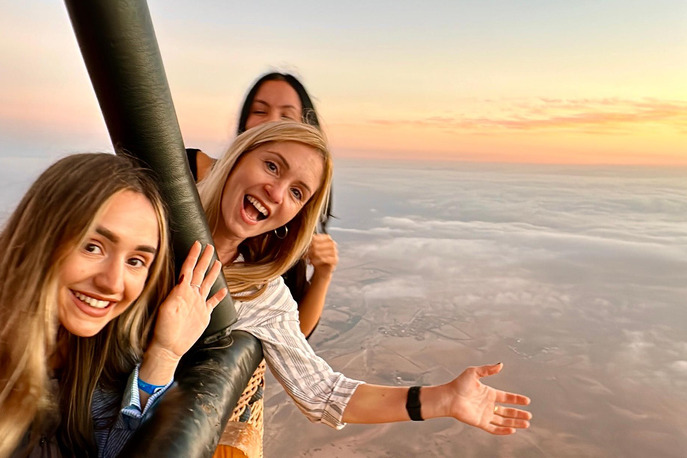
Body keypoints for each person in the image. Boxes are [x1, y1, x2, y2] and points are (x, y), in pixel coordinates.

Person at [195, 121, 532, 433]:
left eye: (297, 192)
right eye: (271, 166)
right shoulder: (151, 209)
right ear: (238, 157)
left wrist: (442, 399)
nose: (277, 192)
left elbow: (323, 391)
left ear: (295, 217)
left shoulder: (262, 296)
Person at [0, 153, 226, 458]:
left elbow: (111, 452)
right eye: (92, 247)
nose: (113, 284)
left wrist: (164, 353)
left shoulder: (106, 339)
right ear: (41, 234)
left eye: (136, 261)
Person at [187, 72, 336, 337]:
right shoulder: (183, 169)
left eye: (286, 116)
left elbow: (291, 335)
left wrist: (323, 274)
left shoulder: (283, 237)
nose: (271, 122)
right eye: (260, 111)